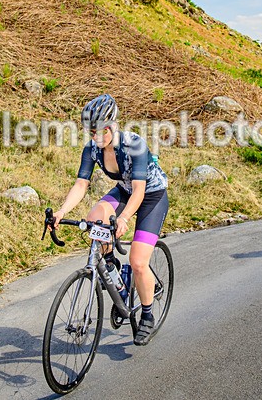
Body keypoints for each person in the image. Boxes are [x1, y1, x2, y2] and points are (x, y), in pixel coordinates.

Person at [52, 94, 169, 346]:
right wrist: (62, 212)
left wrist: (125, 218)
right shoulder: (92, 149)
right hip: (125, 190)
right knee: (95, 219)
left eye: (101, 129)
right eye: (91, 130)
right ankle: (116, 277)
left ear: (113, 124)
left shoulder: (134, 144)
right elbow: (82, 183)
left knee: (138, 262)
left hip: (151, 196)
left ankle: (147, 315)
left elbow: (140, 190)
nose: (95, 135)